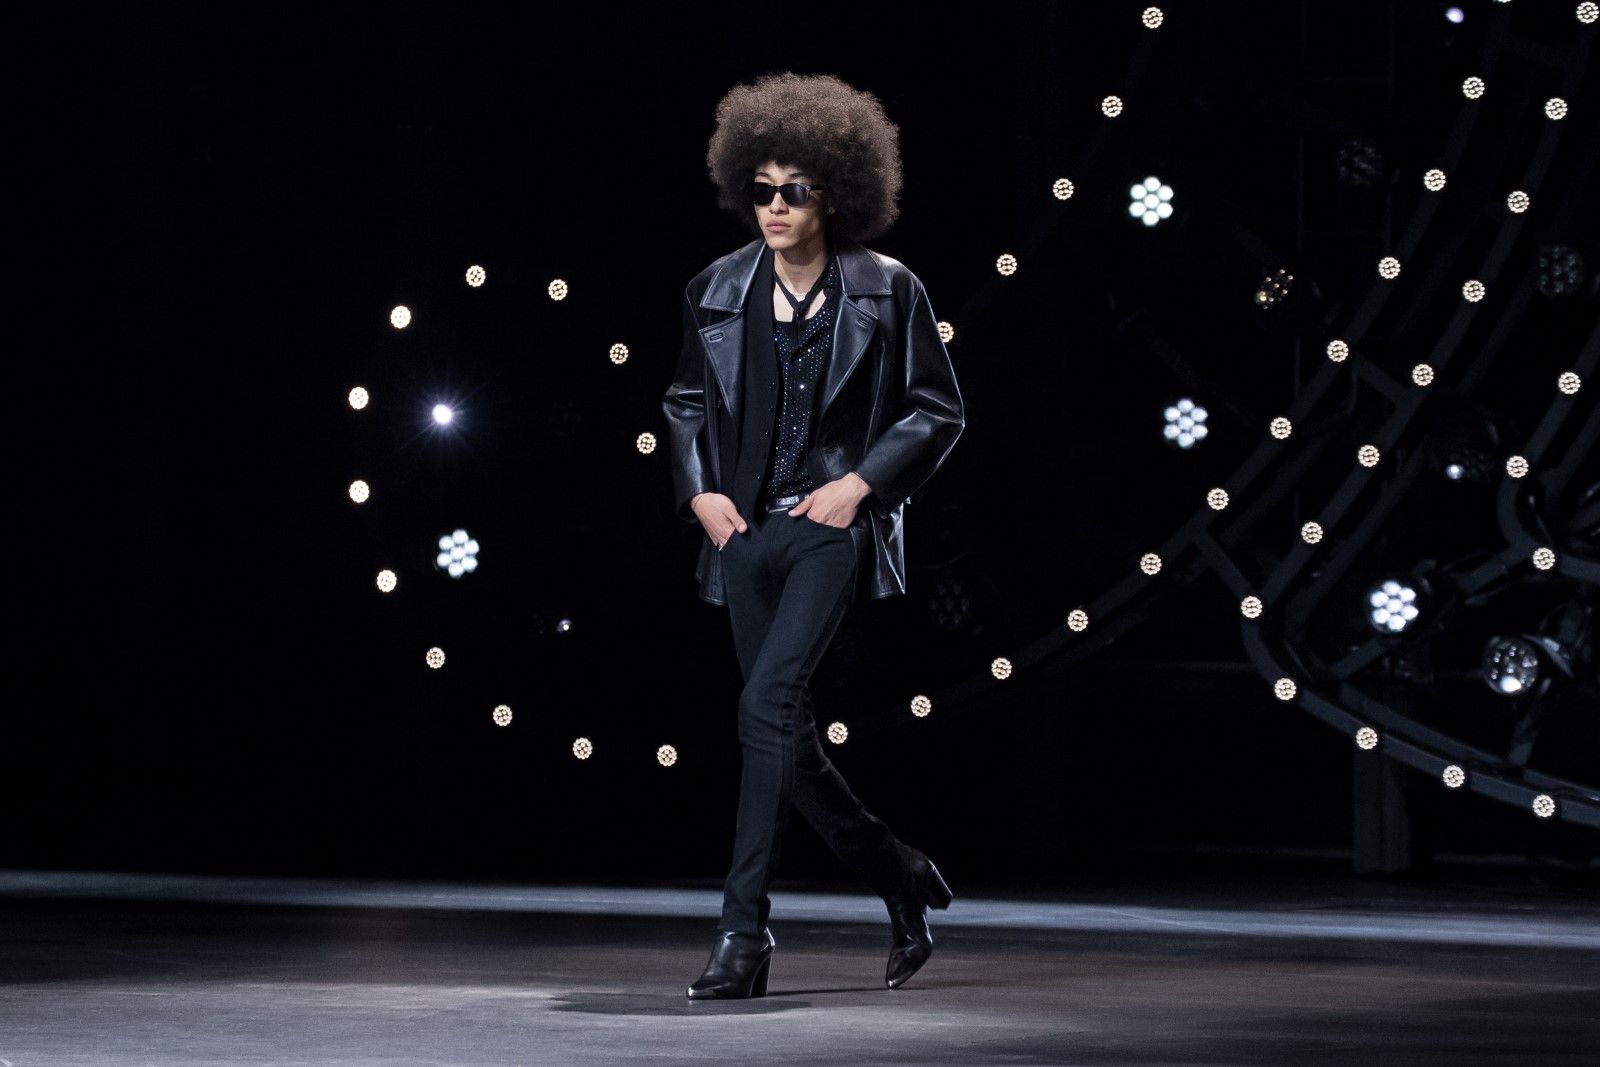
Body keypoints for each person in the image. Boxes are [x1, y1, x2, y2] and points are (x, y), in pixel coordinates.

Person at [662, 71, 964, 999]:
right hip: (743, 533)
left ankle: (742, 933)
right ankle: (897, 871)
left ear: (835, 192)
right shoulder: (716, 288)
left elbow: (937, 408)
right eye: (762, 188)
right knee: (782, 733)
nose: (776, 206)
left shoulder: (888, 289)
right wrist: (700, 495)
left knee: (764, 708)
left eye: (795, 189)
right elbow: (684, 401)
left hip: (830, 531)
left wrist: (860, 485)